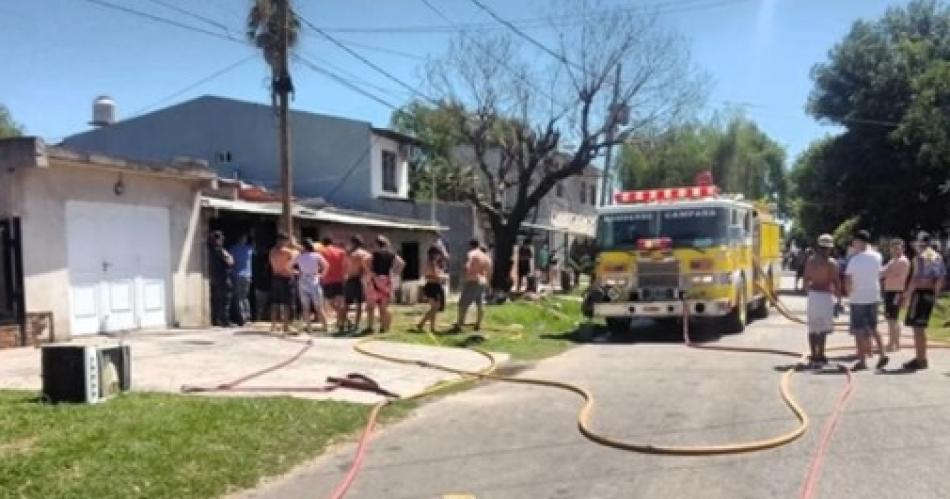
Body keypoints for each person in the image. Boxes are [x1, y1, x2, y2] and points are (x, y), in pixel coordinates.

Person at [901, 232, 946, 370]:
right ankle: (921, 357)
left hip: (920, 293)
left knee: (917, 328)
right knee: (921, 327)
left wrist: (907, 296)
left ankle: (920, 359)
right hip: (929, 293)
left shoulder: (920, 257)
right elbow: (940, 278)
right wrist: (935, 296)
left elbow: (916, 279)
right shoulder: (937, 256)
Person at [844, 230, 888, 370]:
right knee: (873, 327)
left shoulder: (854, 260)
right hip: (873, 296)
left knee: (858, 330)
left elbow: (848, 279)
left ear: (860, 242)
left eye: (855, 242)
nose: (853, 244)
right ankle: (882, 353)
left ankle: (862, 360)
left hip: (858, 297)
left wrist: (849, 294)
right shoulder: (877, 256)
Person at [804, 234, 842, 367]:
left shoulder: (810, 261)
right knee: (823, 328)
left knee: (813, 327)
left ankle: (814, 354)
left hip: (813, 295)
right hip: (825, 295)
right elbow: (836, 282)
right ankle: (821, 354)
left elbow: (806, 279)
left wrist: (808, 291)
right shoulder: (831, 263)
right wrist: (839, 299)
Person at [365, 235, 405, 334]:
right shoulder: (391, 254)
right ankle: (384, 327)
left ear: (376, 244)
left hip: (375, 280)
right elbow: (402, 263)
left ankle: (370, 327)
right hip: (386, 280)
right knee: (383, 307)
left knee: (371, 306)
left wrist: (370, 271)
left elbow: (365, 261)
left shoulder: (374, 254)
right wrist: (395, 273)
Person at [454, 240, 492, 332]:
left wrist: (465, 274)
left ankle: (459, 324)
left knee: (463, 304)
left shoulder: (472, 254)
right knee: (480, 304)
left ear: (471, 245)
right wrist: (488, 284)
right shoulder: (486, 256)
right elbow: (489, 271)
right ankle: (478, 324)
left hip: (472, 281)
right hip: (482, 281)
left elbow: (467, 265)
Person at [880, 238, 910, 352]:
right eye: (893, 248)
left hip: (896, 291)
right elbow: (883, 272)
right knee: (892, 318)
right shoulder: (892, 260)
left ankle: (892, 343)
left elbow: (889, 273)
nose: (895, 250)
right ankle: (896, 343)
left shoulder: (902, 261)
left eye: (897, 248)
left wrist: (885, 273)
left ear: (902, 248)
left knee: (892, 318)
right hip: (889, 291)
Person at [296, 239, 329, 333]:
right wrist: (321, 275)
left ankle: (309, 328)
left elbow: (288, 266)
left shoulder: (299, 256)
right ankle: (325, 327)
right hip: (313, 279)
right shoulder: (316, 255)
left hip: (303, 280)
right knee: (319, 306)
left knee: (305, 307)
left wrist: (298, 272)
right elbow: (326, 265)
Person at [269, 233, 299, 334]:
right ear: (284, 241)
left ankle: (273, 325)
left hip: (275, 277)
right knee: (287, 303)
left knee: (275, 302)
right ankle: (286, 326)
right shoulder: (288, 252)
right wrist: (294, 245)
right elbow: (291, 264)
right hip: (285, 279)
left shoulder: (272, 251)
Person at [319, 236, 347, 331]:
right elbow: (345, 265)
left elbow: (320, 265)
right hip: (340, 280)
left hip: (328, 280)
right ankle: (342, 320)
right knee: (340, 303)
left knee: (330, 302)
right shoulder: (341, 251)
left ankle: (341, 319)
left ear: (323, 243)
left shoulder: (322, 252)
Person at [343, 235, 371, 331]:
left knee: (346, 303)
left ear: (353, 243)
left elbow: (345, 267)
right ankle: (356, 325)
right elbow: (367, 267)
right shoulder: (365, 254)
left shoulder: (349, 254)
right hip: (359, 279)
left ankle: (342, 324)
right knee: (359, 304)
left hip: (350, 279)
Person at [417, 246, 447, 332]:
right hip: (432, 286)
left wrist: (441, 276)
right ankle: (421, 324)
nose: (439, 255)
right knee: (435, 307)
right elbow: (435, 275)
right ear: (434, 254)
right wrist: (444, 277)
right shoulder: (432, 263)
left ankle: (432, 327)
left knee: (435, 308)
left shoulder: (433, 262)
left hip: (434, 286)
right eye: (438, 253)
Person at [209, 231, 234, 327]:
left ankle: (218, 319)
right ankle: (225, 321)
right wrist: (229, 257)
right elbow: (230, 262)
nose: (222, 241)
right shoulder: (221, 251)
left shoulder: (211, 251)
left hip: (215, 278)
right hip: (223, 278)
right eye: (220, 239)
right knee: (225, 300)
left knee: (217, 300)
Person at [228, 233, 254, 326]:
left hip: (237, 275)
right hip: (247, 276)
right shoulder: (249, 249)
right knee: (245, 297)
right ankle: (247, 317)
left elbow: (229, 261)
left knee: (239, 298)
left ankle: (242, 318)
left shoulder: (233, 249)